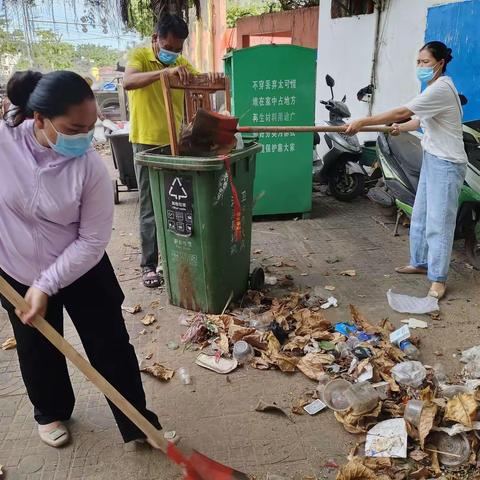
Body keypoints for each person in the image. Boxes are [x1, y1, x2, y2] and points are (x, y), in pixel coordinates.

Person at [0, 70, 161, 448]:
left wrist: (46, 284)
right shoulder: (4, 145)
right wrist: (33, 285)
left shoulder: (89, 166)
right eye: (74, 128)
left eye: (91, 127)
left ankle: (137, 421)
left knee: (110, 344)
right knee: (36, 344)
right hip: (16, 267)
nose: (85, 138)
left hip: (79, 266)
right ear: (38, 118)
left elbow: (92, 240)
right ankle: (50, 411)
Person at [346, 41, 467, 300]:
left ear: (440, 63)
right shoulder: (434, 87)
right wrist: (401, 128)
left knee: (439, 222)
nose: (420, 67)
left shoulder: (442, 89)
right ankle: (420, 262)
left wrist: (363, 121)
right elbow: (419, 119)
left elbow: (403, 111)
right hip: (433, 158)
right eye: (418, 62)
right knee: (421, 214)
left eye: (425, 62)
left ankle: (438, 279)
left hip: (447, 163)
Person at [124, 13, 222, 288]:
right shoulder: (141, 57)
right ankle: (148, 265)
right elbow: (128, 82)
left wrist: (209, 77)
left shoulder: (180, 63)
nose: (173, 54)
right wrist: (162, 72)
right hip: (146, 142)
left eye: (178, 50)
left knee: (177, 202)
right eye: (169, 48)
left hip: (175, 143)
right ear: (156, 39)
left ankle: (176, 256)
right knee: (150, 204)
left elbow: (197, 81)